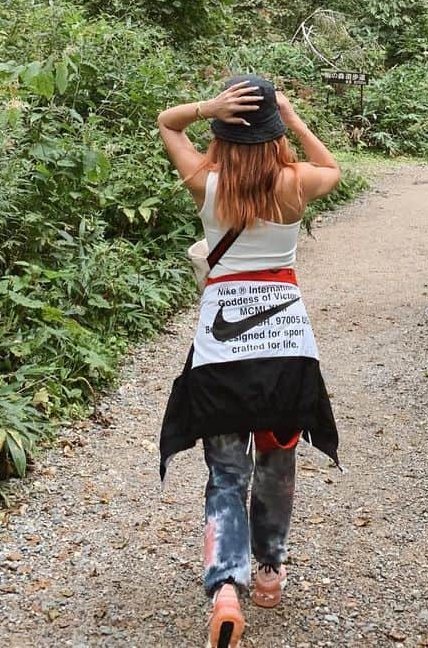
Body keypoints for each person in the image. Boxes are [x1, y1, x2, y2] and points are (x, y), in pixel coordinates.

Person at [156, 74, 342, 648]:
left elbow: (166, 121)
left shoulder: (205, 185)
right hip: (286, 347)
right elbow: (333, 167)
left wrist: (206, 106)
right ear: (271, 134)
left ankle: (227, 587)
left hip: (221, 352)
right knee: (277, 463)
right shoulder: (296, 184)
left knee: (226, 471)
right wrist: (292, 118)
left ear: (223, 133)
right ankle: (269, 571)